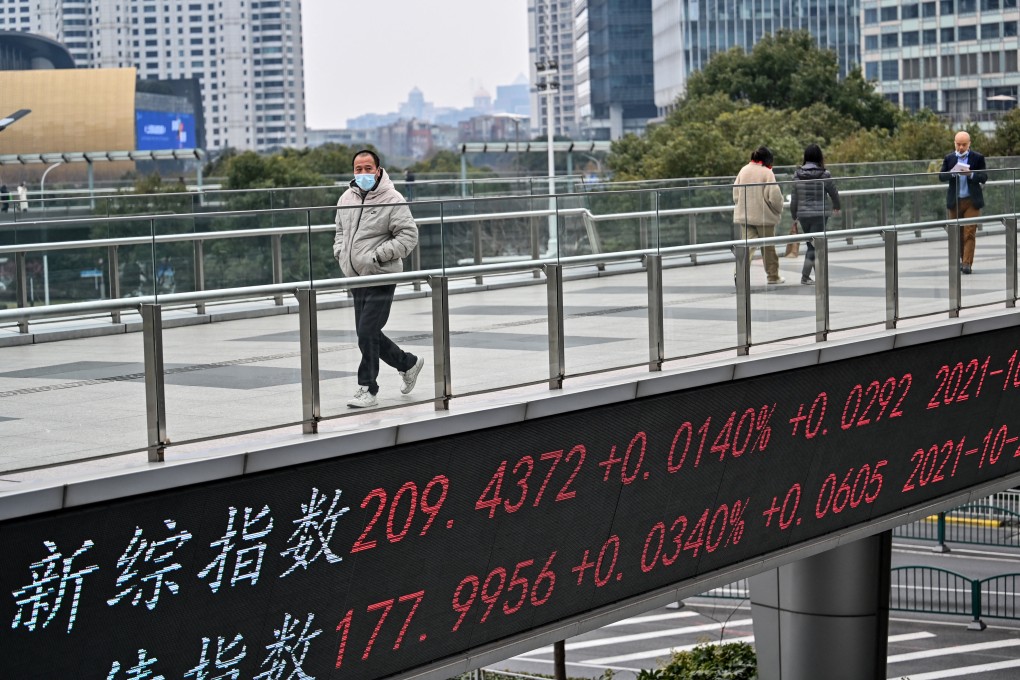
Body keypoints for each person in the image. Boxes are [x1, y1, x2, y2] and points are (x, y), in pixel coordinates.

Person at [334, 149, 424, 408]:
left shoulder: (392, 198)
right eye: (358, 169)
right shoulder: (346, 198)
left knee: (366, 331)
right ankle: (408, 363)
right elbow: (339, 231)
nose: (363, 173)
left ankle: (368, 388)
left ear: (378, 169)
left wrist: (379, 255)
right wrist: (340, 252)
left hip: (381, 274)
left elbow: (408, 234)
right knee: (368, 333)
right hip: (356, 276)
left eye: (367, 168)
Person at [733, 146, 785, 284]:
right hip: (764, 218)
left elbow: (735, 195)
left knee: (747, 248)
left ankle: (740, 275)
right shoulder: (767, 173)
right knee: (768, 249)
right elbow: (774, 197)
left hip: (745, 216)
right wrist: (779, 209)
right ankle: (773, 276)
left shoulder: (743, 170)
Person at [790, 144, 841, 285]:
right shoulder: (825, 174)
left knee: (811, 244)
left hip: (803, 215)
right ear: (819, 157)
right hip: (820, 214)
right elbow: (833, 193)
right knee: (814, 246)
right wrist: (837, 206)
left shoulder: (797, 175)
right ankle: (806, 276)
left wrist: (794, 214)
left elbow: (794, 197)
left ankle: (818, 275)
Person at [939, 131, 987, 274]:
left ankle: (967, 263)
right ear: (954, 143)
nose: (961, 147)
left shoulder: (977, 158)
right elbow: (941, 176)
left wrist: (971, 174)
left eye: (964, 145)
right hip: (955, 201)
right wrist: (952, 173)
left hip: (972, 200)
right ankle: (961, 260)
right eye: (958, 144)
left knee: (969, 232)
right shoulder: (949, 158)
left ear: (969, 144)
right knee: (957, 233)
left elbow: (984, 176)